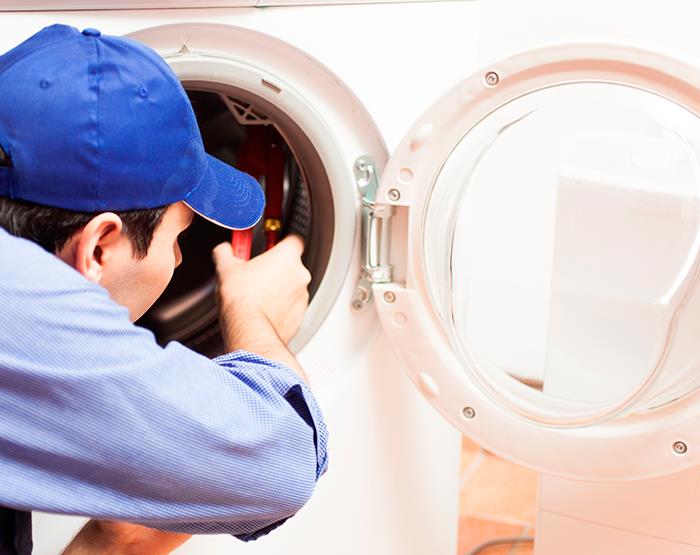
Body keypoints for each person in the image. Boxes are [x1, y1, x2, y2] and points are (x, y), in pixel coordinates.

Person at [0, 24, 328, 555]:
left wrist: (111, 544)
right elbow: (282, 464)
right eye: (179, 238)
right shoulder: (21, 313)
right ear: (99, 248)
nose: (178, 259)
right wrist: (252, 313)